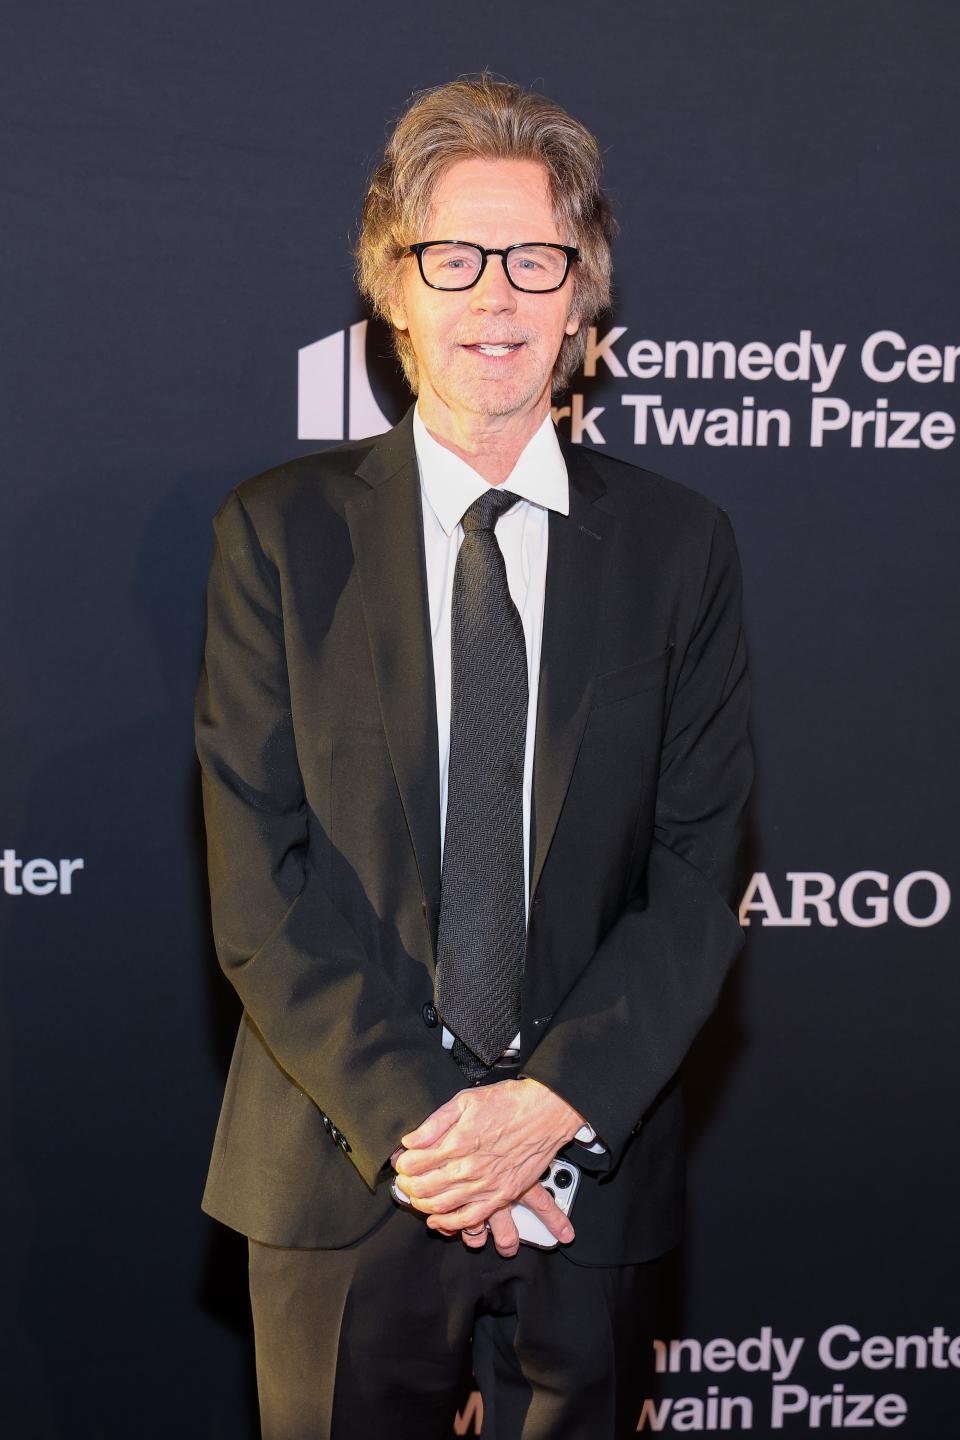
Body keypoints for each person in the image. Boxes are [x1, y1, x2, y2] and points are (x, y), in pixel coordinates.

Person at [194, 73, 753, 1440]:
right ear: (393, 290)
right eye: (454, 258)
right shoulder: (279, 535)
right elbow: (260, 891)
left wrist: (547, 1108)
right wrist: (441, 1132)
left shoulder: (683, 549)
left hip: (590, 1176)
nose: (495, 297)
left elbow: (697, 877)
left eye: (535, 259)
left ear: (584, 300)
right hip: (343, 1165)